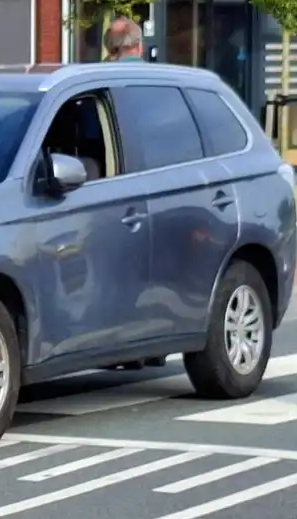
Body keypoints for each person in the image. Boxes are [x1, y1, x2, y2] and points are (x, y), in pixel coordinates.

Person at [101, 17, 168, 370]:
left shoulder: (102, 83)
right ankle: (155, 344)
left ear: (110, 47)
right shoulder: (160, 82)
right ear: (138, 45)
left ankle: (125, 348)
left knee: (119, 271)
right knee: (156, 270)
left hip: (120, 190)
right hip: (165, 187)